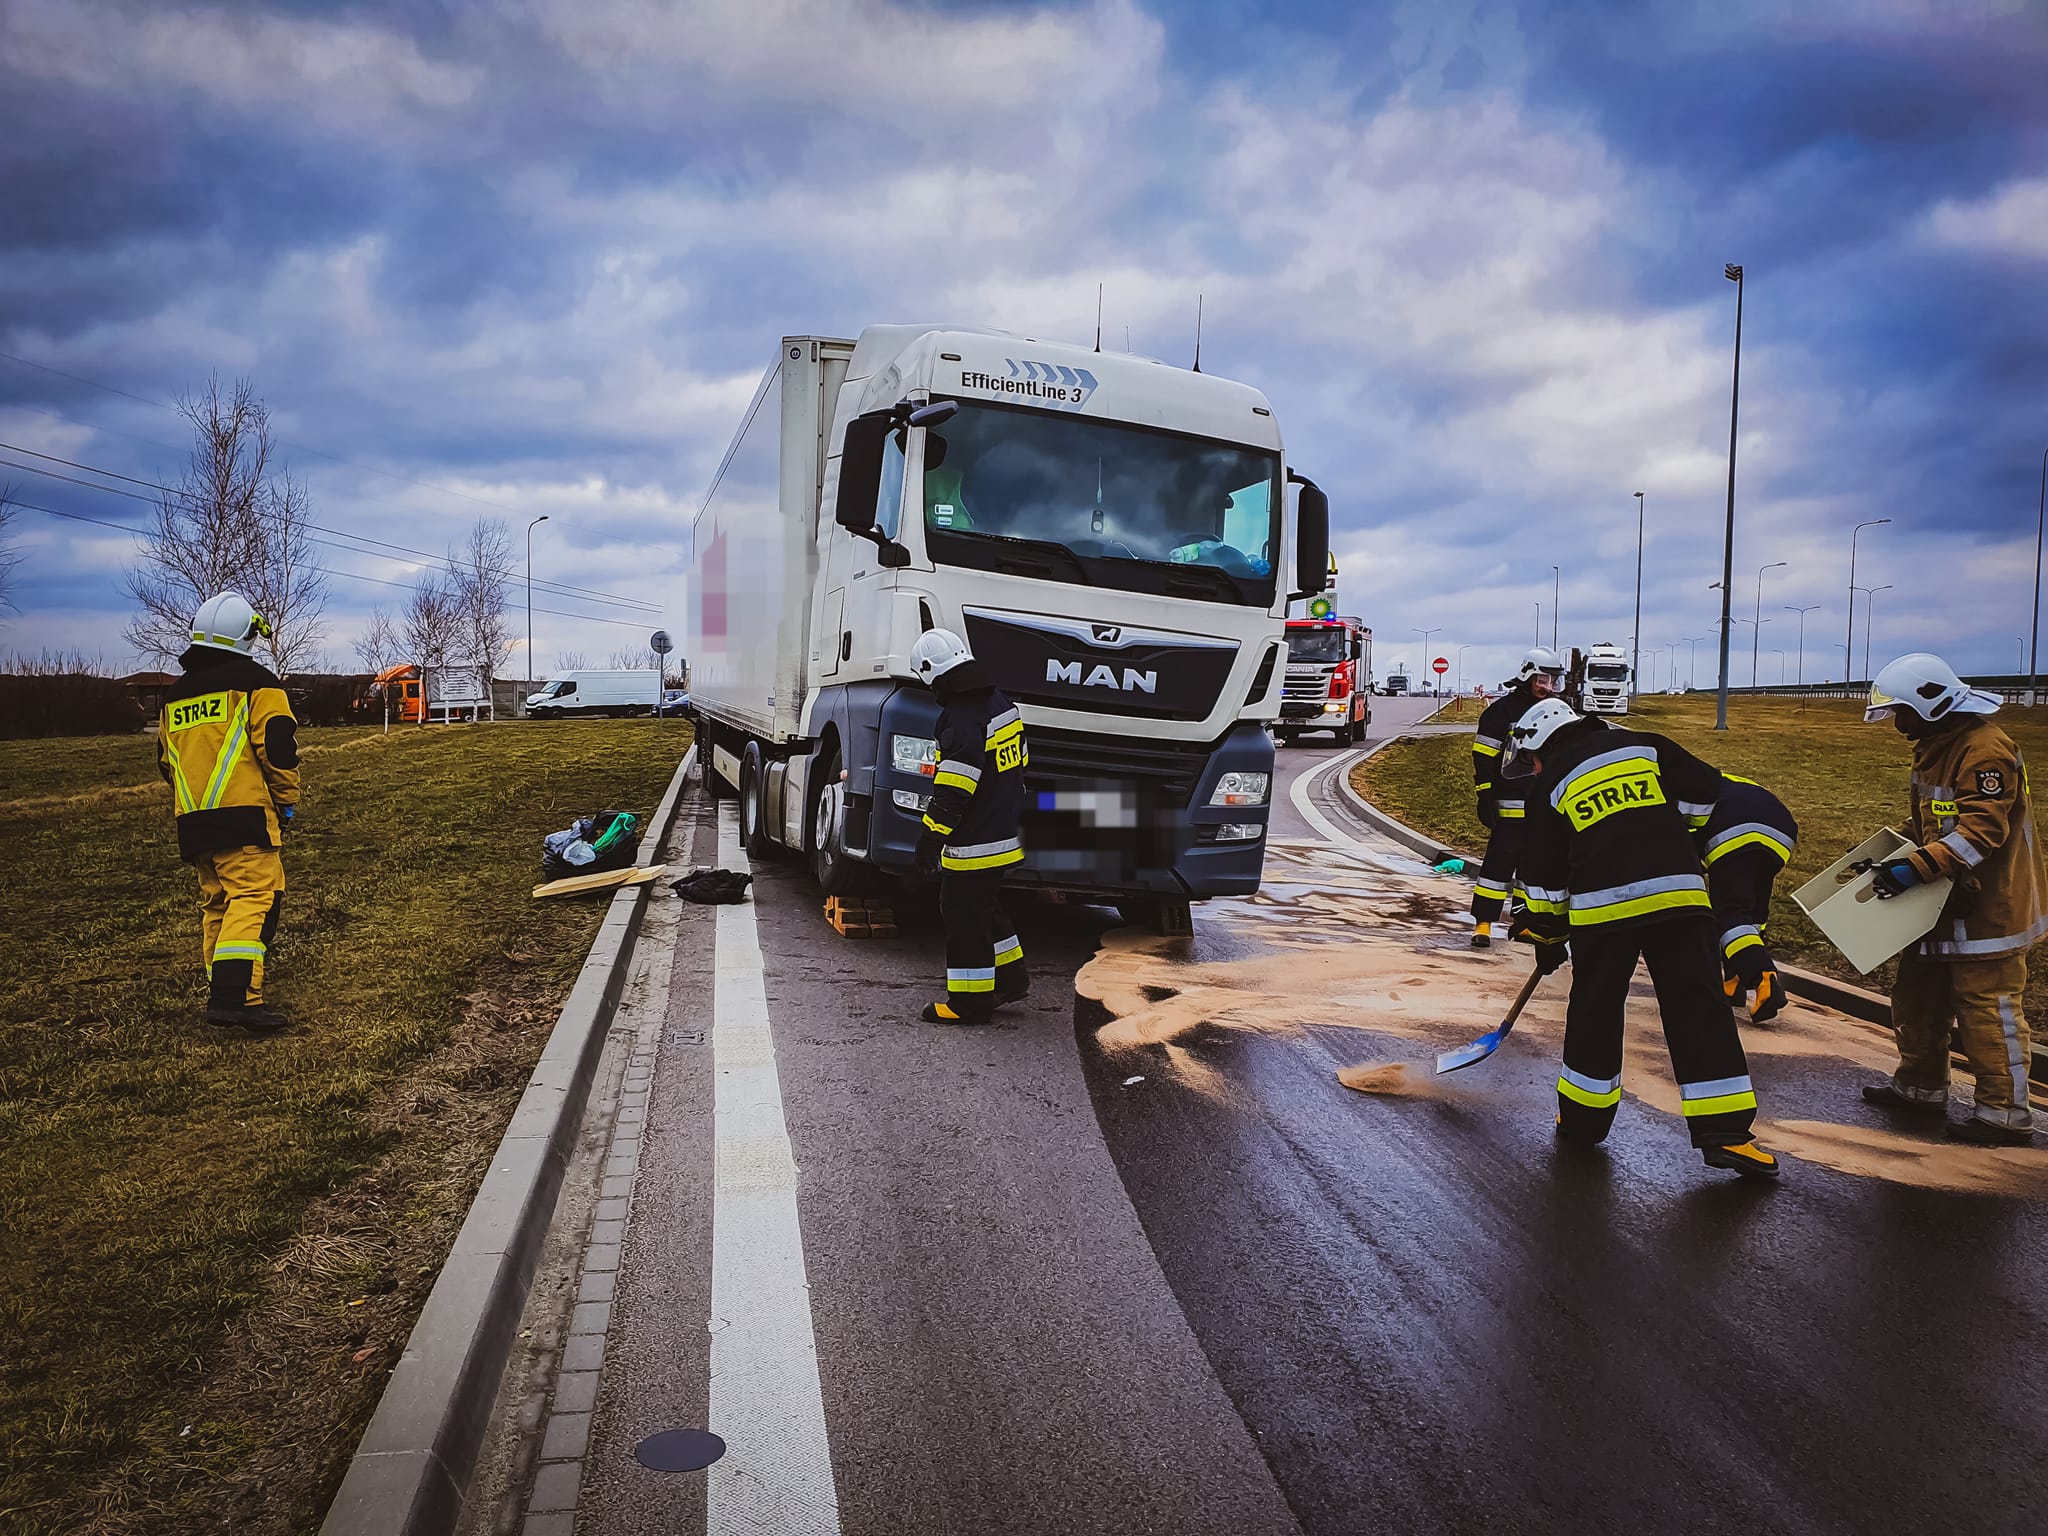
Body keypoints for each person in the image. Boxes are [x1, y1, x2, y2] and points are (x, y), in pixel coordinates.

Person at [1507, 697, 1778, 1178]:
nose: (1533, 768)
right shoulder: (1645, 746)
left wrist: (1548, 937)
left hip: (1602, 912)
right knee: (1700, 1008)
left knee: (1596, 1010)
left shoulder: (1548, 786)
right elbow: (1704, 796)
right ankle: (1728, 1135)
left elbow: (1544, 879)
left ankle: (1583, 1122)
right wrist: (1659, 835)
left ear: (1537, 748)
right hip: (1678, 900)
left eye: (1530, 760)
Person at [1859, 653, 2043, 1146]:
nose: (1898, 723)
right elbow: (1933, 824)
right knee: (1918, 996)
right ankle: (1919, 1086)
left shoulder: (1986, 751)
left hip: (1987, 911)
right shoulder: (1938, 744)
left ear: (1933, 704)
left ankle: (2004, 1113)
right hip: (1939, 902)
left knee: (1988, 1006)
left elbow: (1980, 833)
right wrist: (1887, 853)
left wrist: (1913, 869)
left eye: (1902, 713)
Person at [157, 592, 300, 1032]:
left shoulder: (174, 697)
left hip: (194, 822)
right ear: (246, 636)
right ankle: (237, 1000)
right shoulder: (260, 685)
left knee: (217, 904)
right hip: (246, 818)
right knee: (255, 898)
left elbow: (165, 762)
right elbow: (277, 749)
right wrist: (287, 800)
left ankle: (222, 992)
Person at [910, 627, 1030, 1024]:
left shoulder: (959, 720)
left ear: (931, 674)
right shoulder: (1000, 703)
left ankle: (969, 1003)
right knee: (986, 907)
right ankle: (1010, 979)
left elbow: (955, 790)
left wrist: (931, 838)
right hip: (1004, 832)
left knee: (962, 914)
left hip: (975, 842)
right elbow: (1018, 766)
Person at [1468, 647, 1567, 948]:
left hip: (1545, 804)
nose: (1547, 687)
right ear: (1527, 676)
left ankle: (1523, 923)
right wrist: (1485, 793)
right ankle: (1484, 922)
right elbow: (1483, 754)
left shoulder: (1557, 711)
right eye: (1542, 680)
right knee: (1499, 864)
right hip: (1510, 801)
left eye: (1552, 681)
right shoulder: (1502, 712)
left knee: (1534, 867)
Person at [1695, 774, 1800, 1024]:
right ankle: (1733, 980)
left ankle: (1762, 978)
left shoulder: (1669, 791)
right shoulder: (1718, 778)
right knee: (1752, 911)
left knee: (1728, 914)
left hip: (1732, 828)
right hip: (1780, 828)